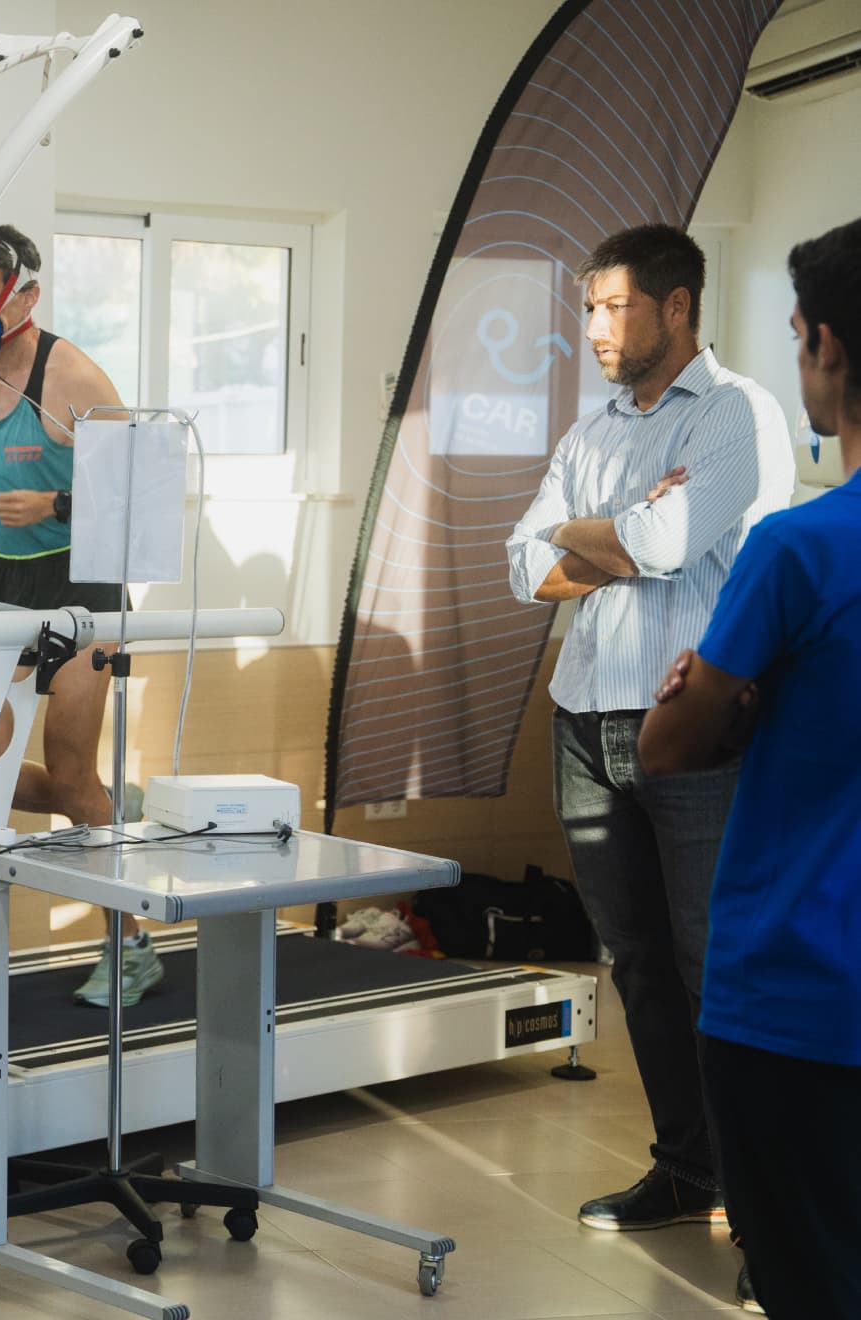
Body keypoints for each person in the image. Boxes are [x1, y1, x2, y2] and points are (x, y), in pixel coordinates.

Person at [503, 225, 793, 1255]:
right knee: (636, 963)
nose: (593, 327)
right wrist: (620, 526)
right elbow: (522, 566)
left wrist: (600, 531)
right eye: (587, 309)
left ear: (676, 308)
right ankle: (689, 1170)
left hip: (692, 725)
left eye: (613, 306)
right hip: (582, 717)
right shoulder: (592, 436)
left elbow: (664, 544)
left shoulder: (737, 413)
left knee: (719, 965)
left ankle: (769, 1216)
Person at [638, 216, 861, 1320]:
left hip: (801, 999)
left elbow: (667, 745)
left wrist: (735, 693)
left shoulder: (800, 549)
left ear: (828, 346)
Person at [0, 223, 160, 1008]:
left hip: (83, 583)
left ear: (26, 295)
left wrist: (56, 502)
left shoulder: (73, 376)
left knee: (68, 769)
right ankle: (106, 808)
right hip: (5, 580)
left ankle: (131, 947)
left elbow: (143, 500)